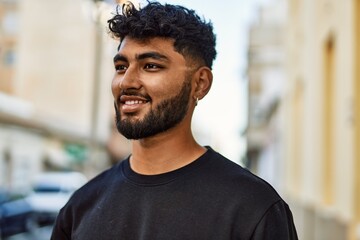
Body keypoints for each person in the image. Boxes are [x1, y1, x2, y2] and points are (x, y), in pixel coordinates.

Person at [51, 1, 298, 239]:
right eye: (121, 66)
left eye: (150, 66)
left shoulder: (254, 208)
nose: (126, 81)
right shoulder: (79, 208)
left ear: (200, 84)